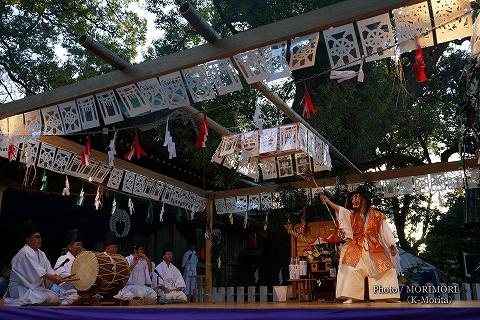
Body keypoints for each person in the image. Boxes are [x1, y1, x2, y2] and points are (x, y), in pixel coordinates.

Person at [320, 187, 400, 304]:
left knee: (387, 270)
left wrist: (392, 245)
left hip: (374, 247)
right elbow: (340, 210)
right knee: (351, 268)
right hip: (356, 245)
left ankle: (386, 295)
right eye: (353, 199)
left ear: (364, 199)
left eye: (356, 197)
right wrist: (328, 201)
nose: (353, 201)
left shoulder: (377, 215)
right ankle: (350, 295)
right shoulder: (352, 214)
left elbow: (384, 230)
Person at [4, 222, 72, 306]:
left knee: (55, 298)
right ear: (28, 240)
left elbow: (49, 271)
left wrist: (59, 278)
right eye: (36, 237)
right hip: (21, 288)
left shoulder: (41, 253)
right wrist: (54, 278)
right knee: (41, 298)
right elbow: (39, 272)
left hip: (34, 288)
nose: (39, 239)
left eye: (40, 237)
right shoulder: (25, 252)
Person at [51, 229, 83, 305]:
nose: (80, 247)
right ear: (70, 247)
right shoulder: (63, 258)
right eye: (77, 244)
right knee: (78, 296)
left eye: (81, 245)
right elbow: (59, 273)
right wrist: (75, 277)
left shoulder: (82, 259)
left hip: (82, 290)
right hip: (67, 291)